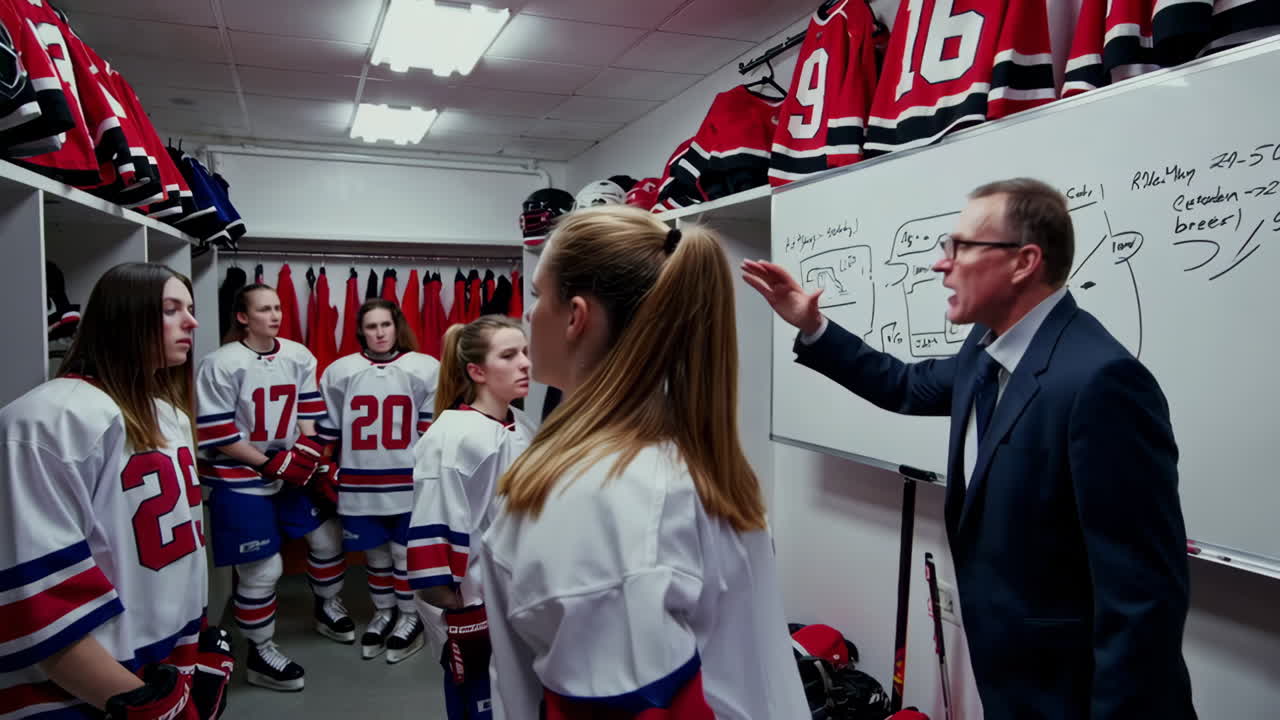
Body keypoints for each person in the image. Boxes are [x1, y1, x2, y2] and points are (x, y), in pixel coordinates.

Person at [743, 178, 1196, 719]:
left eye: (960, 247)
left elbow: (1143, 596)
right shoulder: (987, 348)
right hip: (1014, 676)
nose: (940, 264)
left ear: (1024, 261)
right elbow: (906, 386)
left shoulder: (1102, 381)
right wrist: (812, 325)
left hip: (1075, 692)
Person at [481, 206, 809, 719]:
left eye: (538, 294)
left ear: (575, 317)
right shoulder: (682, 456)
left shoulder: (594, 501)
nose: (528, 314)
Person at [0, 262, 233, 720]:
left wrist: (197, 640)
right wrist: (138, 701)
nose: (193, 321)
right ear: (123, 317)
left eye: (189, 307)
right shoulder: (46, 420)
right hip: (88, 693)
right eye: (171, 309)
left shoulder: (171, 416)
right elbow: (38, 603)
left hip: (165, 664)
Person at [194, 283, 352, 692]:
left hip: (288, 471)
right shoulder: (220, 363)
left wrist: (305, 455)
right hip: (239, 476)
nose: (276, 315)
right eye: (265, 309)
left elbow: (309, 414)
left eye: (278, 307)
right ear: (243, 317)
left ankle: (327, 607)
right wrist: (270, 463)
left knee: (327, 539)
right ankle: (260, 653)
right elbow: (218, 433)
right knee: (265, 569)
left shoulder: (298, 355)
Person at [406, 315, 534, 720]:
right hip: (479, 613)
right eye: (510, 355)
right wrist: (460, 619)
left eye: (526, 352)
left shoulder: (523, 424)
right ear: (477, 371)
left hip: (518, 608)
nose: (525, 363)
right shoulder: (451, 437)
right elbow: (431, 549)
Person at [317, 298, 439, 664]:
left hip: (407, 479)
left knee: (404, 552)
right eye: (371, 326)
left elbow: (430, 433)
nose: (380, 333)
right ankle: (384, 612)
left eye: (385, 324)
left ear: (396, 325)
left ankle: (410, 616)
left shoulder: (424, 368)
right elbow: (328, 430)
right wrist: (322, 468)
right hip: (359, 480)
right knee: (376, 554)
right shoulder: (340, 371)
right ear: (361, 331)